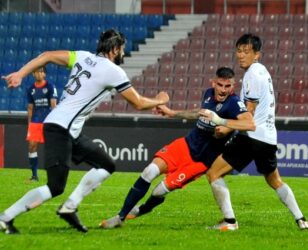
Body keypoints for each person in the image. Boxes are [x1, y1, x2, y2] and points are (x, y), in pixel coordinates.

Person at [0, 29, 169, 234]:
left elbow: (46, 56)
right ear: (115, 49)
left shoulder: (82, 56)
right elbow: (139, 103)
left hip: (68, 129)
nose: (123, 53)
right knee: (55, 187)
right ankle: (5, 218)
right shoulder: (113, 71)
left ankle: (70, 206)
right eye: (122, 49)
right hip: (60, 129)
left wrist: (19, 74)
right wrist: (161, 100)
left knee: (106, 164)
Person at [99, 67, 256, 229]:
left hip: (201, 161)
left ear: (233, 86)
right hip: (185, 145)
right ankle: (120, 217)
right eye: (220, 85)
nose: (223, 90)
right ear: (213, 83)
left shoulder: (234, 103)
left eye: (227, 86)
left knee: (159, 192)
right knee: (149, 171)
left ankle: (143, 209)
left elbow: (250, 124)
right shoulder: (209, 93)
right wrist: (172, 113)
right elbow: (199, 113)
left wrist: (222, 123)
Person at [200, 33, 308, 231]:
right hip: (268, 138)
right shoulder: (263, 71)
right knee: (274, 180)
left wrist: (226, 127)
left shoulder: (252, 74)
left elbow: (249, 112)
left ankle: (230, 222)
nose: (241, 55)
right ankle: (301, 220)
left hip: (251, 137)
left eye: (247, 51)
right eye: (239, 51)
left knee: (213, 173)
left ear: (257, 54)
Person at [26, 66, 57, 182]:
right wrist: (29, 124)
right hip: (35, 121)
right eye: (36, 71)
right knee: (32, 147)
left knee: (52, 149)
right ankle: (34, 176)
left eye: (41, 72)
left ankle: (54, 176)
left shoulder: (50, 87)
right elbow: (30, 108)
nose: (39, 74)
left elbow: (54, 105)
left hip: (48, 121)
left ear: (45, 74)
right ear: (33, 74)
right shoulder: (30, 89)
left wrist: (55, 122)